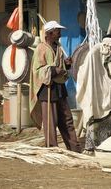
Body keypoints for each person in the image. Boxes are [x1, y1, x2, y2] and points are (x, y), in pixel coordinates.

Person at [29, 20, 81, 153]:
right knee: (50, 122)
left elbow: (59, 65)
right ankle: (52, 150)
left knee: (67, 119)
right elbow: (37, 70)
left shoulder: (57, 47)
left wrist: (66, 64)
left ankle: (74, 148)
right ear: (50, 33)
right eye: (58, 31)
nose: (60, 33)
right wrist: (53, 71)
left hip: (59, 88)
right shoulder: (41, 48)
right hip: (47, 89)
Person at [76, 35, 111, 155]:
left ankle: (105, 145)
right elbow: (85, 71)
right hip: (98, 92)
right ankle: (96, 147)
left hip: (105, 93)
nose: (110, 51)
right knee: (97, 115)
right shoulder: (96, 52)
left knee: (105, 117)